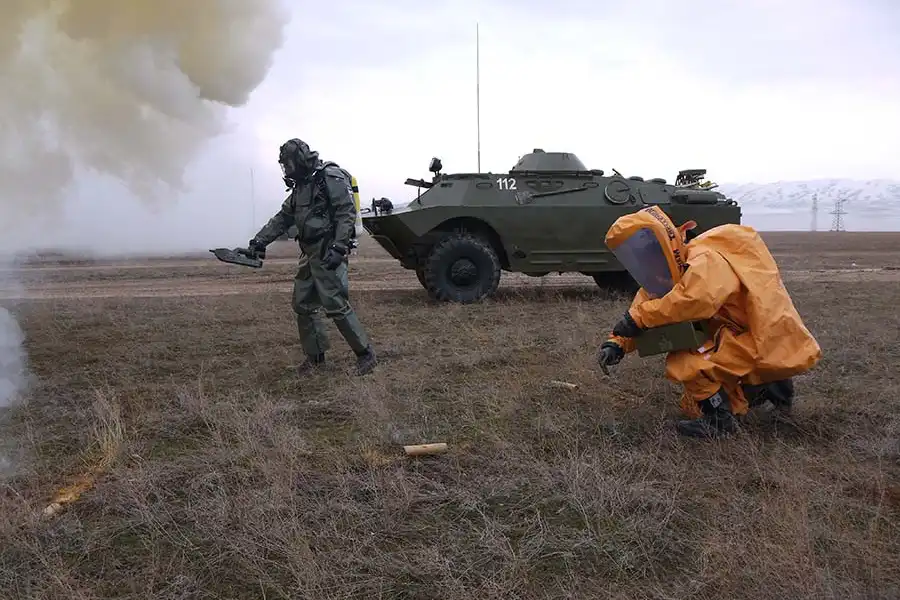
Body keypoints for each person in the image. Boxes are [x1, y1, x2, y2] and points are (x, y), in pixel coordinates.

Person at [596, 206, 822, 439]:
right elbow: (640, 310)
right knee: (692, 401)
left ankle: (720, 422)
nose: (645, 262)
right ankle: (771, 388)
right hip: (740, 337)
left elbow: (695, 300)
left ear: (665, 243)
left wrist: (638, 319)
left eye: (649, 253)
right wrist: (617, 343)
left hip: (754, 337)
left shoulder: (704, 259)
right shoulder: (665, 276)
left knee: (687, 363)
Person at [241, 138, 377, 376]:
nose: (287, 170)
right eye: (285, 166)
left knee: (335, 303)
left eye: (289, 164)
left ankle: (365, 354)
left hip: (327, 248)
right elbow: (282, 218)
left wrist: (338, 248)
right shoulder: (302, 186)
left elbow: (346, 213)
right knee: (303, 304)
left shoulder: (330, 177)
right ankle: (315, 358)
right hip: (309, 251)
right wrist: (258, 242)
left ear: (301, 159)